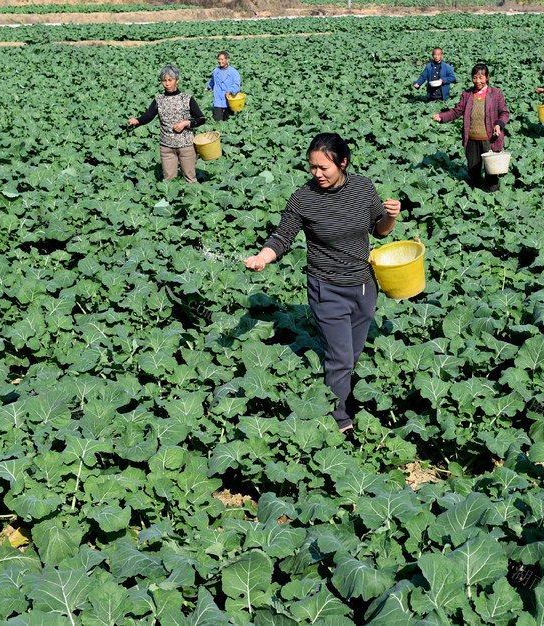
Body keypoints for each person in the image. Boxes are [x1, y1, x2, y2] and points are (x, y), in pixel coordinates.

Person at [243, 134, 401, 439]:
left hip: (364, 287)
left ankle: (338, 395)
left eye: (323, 168)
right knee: (340, 359)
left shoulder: (363, 188)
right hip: (326, 288)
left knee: (351, 356)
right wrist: (264, 257)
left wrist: (390, 217)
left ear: (342, 163)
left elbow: (379, 230)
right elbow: (283, 236)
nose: (317, 174)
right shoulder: (303, 198)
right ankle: (342, 420)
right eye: (312, 167)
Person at [431, 63, 509, 192]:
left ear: (488, 77)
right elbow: (457, 111)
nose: (477, 81)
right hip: (471, 138)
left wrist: (498, 124)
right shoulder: (467, 94)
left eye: (481, 78)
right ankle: (475, 195)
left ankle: (493, 195)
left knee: (492, 171)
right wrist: (442, 116)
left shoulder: (496, 93)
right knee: (473, 170)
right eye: (475, 78)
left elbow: (504, 113)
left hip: (490, 139)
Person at [128, 65, 206, 183]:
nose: (167, 84)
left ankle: (192, 198)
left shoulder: (187, 98)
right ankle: (170, 201)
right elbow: (149, 116)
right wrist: (138, 120)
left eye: (170, 80)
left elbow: (201, 118)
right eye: (164, 81)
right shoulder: (158, 100)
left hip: (186, 145)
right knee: (168, 180)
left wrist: (186, 123)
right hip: (167, 146)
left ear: (177, 80)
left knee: (190, 179)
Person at [205, 51, 242, 122]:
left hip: (229, 99)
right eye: (219, 59)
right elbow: (213, 80)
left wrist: (230, 90)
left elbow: (237, 83)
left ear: (227, 60)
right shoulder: (216, 70)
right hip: (218, 98)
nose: (220, 61)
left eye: (222, 59)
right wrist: (209, 87)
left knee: (229, 120)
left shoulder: (234, 72)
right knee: (217, 119)